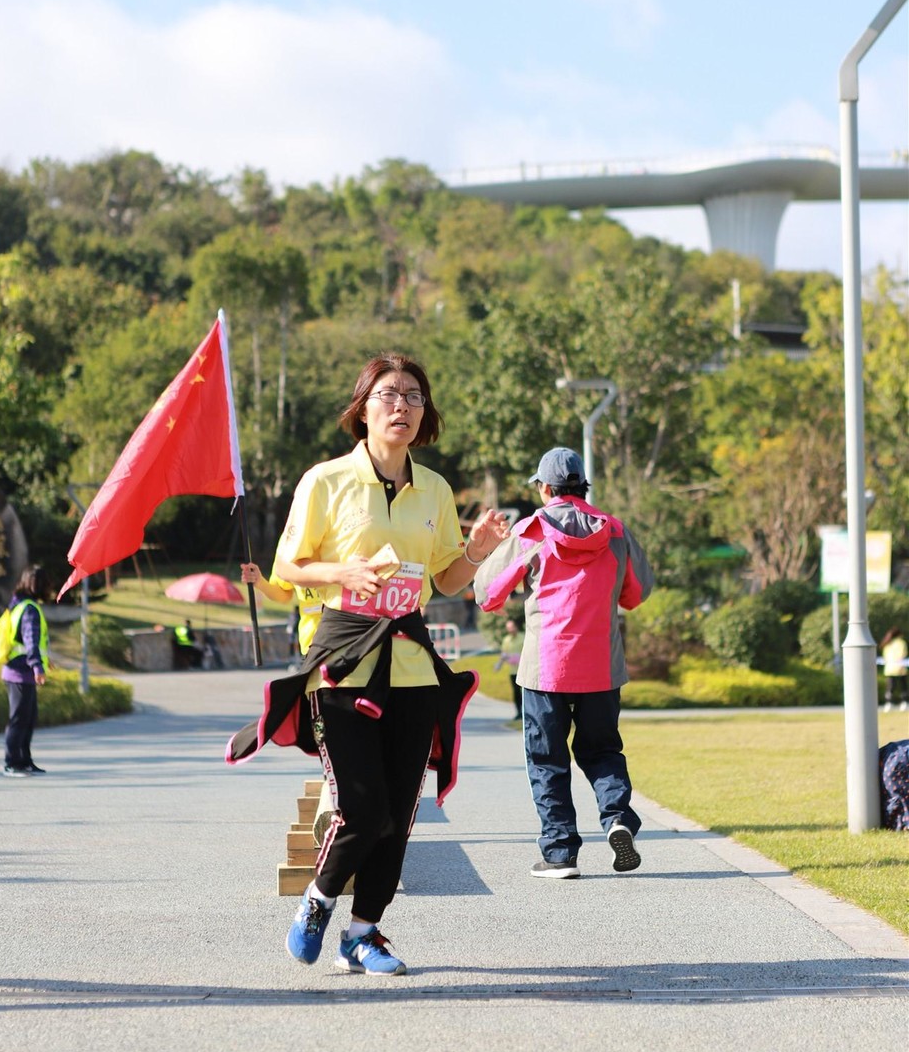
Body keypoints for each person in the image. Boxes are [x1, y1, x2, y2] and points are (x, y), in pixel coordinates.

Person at [229, 352, 509, 975]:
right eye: (389, 393)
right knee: (364, 809)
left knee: (401, 810)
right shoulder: (324, 481)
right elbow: (289, 569)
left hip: (410, 664)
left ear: (424, 412)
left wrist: (479, 551)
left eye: (413, 395)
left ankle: (365, 933)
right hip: (340, 662)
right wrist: (343, 572)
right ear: (364, 407)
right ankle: (319, 899)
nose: (402, 405)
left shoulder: (433, 487)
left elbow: (446, 578)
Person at [473, 447, 654, 879]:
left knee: (547, 759)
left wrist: (496, 556)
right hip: (601, 669)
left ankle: (559, 854)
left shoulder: (531, 530)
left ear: (545, 487)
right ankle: (617, 821)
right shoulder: (613, 531)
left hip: (545, 670)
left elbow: (487, 593)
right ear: (582, 484)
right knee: (603, 750)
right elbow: (636, 592)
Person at [0, 565, 51, 777]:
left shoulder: (19, 605)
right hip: (20, 673)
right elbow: (30, 642)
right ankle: (12, 763)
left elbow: (33, 643)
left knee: (28, 719)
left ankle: (25, 760)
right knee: (19, 720)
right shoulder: (29, 609)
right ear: (38, 585)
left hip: (22, 672)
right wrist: (38, 667)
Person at [495, 616, 525, 720]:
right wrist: (499, 664)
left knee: (525, 693)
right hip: (513, 671)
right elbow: (504, 654)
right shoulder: (506, 640)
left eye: (512, 627)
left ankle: (526, 712)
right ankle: (519, 712)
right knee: (516, 693)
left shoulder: (523, 637)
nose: (510, 630)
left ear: (516, 627)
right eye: (508, 628)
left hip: (524, 670)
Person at [879, 627, 908, 712]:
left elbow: (885, 656)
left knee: (890, 688)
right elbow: (902, 655)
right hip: (901, 669)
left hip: (889, 669)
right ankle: (904, 703)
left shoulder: (887, 643)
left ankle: (889, 704)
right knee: (903, 687)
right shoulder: (901, 643)